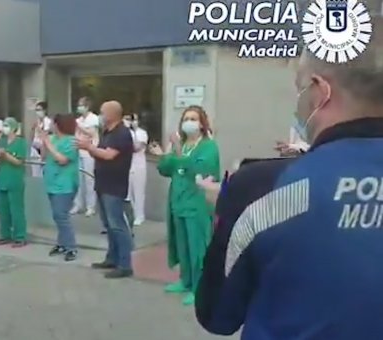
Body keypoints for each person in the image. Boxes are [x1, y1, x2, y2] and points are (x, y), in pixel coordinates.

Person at [195, 46, 383, 339]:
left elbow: (218, 315)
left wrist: (228, 213)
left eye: (300, 89)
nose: (297, 105)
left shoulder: (257, 189)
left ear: (320, 91)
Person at [149, 105, 220, 306]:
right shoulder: (181, 144)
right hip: (178, 202)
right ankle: (186, 280)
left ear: (202, 123)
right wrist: (164, 155)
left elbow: (200, 168)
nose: (189, 122)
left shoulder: (208, 146)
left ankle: (201, 288)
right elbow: (165, 169)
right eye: (186, 118)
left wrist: (178, 155)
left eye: (193, 118)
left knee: (198, 247)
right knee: (182, 245)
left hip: (197, 203)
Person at [77, 100, 134, 279]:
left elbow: (109, 155)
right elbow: (100, 152)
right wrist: (90, 147)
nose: (100, 115)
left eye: (102, 112)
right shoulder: (107, 132)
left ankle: (125, 264)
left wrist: (89, 147)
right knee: (109, 225)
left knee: (117, 225)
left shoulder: (122, 133)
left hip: (114, 186)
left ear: (112, 114)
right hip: (102, 184)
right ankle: (112, 258)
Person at [39, 113, 80, 261]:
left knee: (61, 215)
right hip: (52, 183)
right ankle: (61, 243)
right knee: (57, 215)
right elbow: (44, 156)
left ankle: (71, 247)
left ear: (58, 125)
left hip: (66, 184)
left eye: (53, 123)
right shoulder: (53, 139)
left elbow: (62, 160)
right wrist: (44, 141)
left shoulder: (71, 142)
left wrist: (48, 143)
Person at [0, 117, 27, 248]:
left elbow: (19, 162)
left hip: (15, 179)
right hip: (2, 177)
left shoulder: (20, 143)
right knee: (3, 210)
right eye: (4, 125)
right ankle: (5, 235)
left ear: (14, 128)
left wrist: (6, 155)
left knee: (16, 209)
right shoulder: (1, 141)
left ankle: (20, 236)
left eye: (7, 126)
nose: (5, 128)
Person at [72, 97, 99, 217]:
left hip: (89, 152)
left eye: (81, 105)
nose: (79, 107)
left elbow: (91, 133)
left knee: (89, 180)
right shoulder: (78, 120)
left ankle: (91, 206)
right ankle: (78, 204)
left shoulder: (93, 118)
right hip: (79, 151)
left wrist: (79, 127)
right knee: (78, 179)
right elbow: (76, 134)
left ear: (87, 107)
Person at [124, 113, 149, 226]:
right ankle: (131, 215)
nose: (132, 122)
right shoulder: (124, 133)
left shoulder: (142, 133)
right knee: (127, 193)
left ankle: (140, 216)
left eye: (134, 119)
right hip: (127, 165)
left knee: (138, 192)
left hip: (139, 166)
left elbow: (137, 147)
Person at [30, 101, 52, 177]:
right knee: (35, 173)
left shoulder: (48, 121)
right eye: (36, 110)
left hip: (43, 149)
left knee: (42, 172)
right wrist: (33, 129)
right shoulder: (36, 121)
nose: (37, 112)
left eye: (39, 109)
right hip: (34, 147)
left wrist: (39, 128)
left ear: (44, 110)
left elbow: (44, 136)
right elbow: (32, 137)